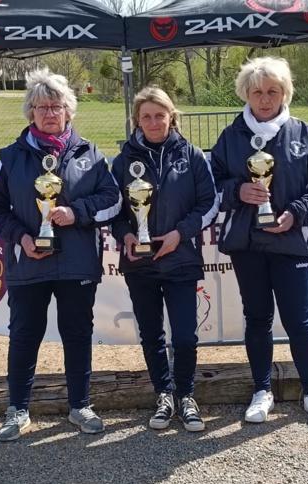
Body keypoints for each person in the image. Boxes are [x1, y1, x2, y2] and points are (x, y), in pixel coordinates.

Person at [0, 68, 122, 441]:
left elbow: (113, 200)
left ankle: (80, 405)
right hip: (29, 259)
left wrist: (77, 212)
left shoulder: (90, 153)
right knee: (25, 335)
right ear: (30, 112)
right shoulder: (11, 156)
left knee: (77, 334)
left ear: (68, 111)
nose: (48, 112)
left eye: (55, 106)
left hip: (77, 261)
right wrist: (22, 238)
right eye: (40, 106)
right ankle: (18, 410)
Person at [211, 56, 308, 427]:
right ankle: (261, 391)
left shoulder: (305, 134)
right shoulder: (230, 136)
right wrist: (237, 191)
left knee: (299, 321)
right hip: (246, 245)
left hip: (290, 244)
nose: (265, 99)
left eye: (273, 91)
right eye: (257, 92)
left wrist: (296, 213)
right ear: (246, 95)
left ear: (285, 93)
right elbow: (211, 185)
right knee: (257, 319)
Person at [111, 86, 219, 432]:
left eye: (160, 115)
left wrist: (179, 234)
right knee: (152, 334)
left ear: (172, 116)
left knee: (185, 335)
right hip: (140, 264)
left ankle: (186, 394)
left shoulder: (192, 155)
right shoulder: (123, 160)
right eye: (147, 116)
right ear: (137, 121)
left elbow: (209, 203)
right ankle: (164, 394)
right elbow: (113, 210)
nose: (154, 122)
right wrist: (126, 234)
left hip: (181, 259)